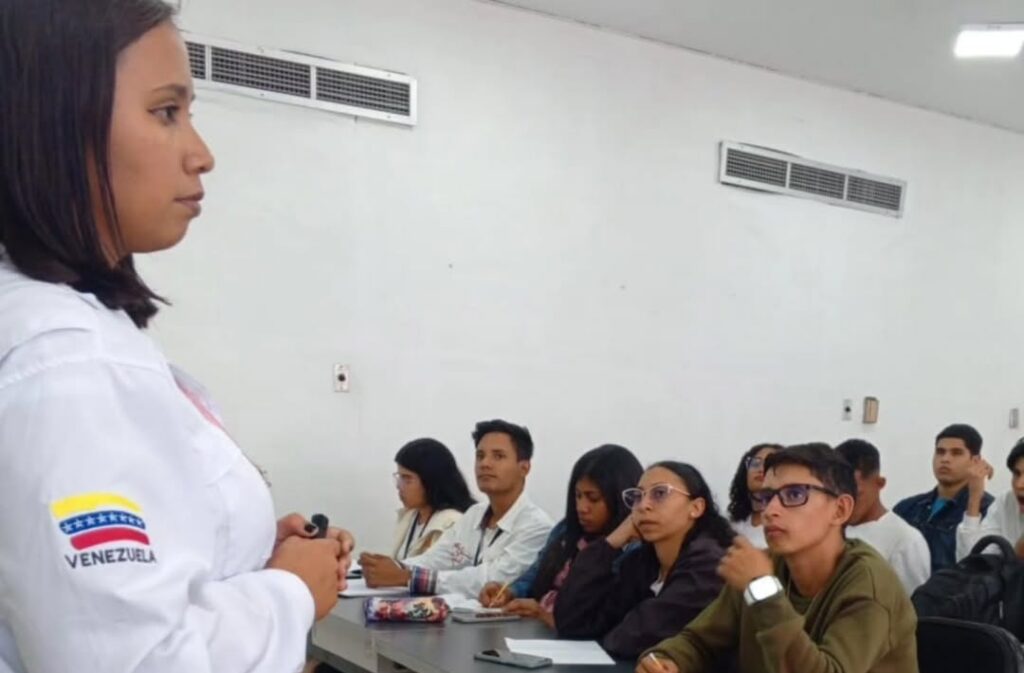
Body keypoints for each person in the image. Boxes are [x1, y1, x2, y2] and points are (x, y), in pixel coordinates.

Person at [0, 2, 353, 671]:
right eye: (166, 112)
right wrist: (290, 592)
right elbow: (133, 659)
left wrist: (241, 547)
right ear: (59, 124)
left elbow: (98, 591)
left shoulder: (67, 330)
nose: (202, 154)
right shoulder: (64, 358)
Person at [640, 444, 917, 673]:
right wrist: (666, 659)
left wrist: (763, 590)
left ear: (840, 510)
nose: (771, 510)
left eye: (794, 494)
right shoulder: (765, 565)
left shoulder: (869, 582)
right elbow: (699, 640)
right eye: (767, 496)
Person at [555, 462, 734, 659]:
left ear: (696, 507)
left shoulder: (710, 565)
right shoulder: (642, 562)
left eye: (660, 493)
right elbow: (573, 623)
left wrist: (608, 634)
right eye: (637, 497)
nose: (643, 505)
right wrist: (611, 542)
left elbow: (633, 638)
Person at [361, 419, 552, 597]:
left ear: (524, 468)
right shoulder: (475, 514)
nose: (485, 464)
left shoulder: (536, 526)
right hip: (461, 616)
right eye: (480, 456)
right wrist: (391, 567)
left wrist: (407, 577)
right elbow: (438, 559)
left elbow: (492, 579)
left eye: (498, 456)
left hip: (503, 621)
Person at [479, 444, 644, 627]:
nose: (581, 508)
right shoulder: (565, 530)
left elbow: (606, 620)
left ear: (621, 499)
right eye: (578, 496)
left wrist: (544, 615)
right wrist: (509, 591)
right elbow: (536, 574)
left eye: (593, 498)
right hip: (536, 630)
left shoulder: (632, 550)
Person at [894, 423, 993, 572]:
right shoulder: (907, 508)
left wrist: (974, 498)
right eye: (940, 452)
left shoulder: (989, 510)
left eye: (956, 453)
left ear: (976, 461)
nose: (945, 459)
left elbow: (979, 569)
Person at [835, 439, 930, 594]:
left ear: (879, 483)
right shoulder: (828, 528)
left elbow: (914, 603)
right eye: (839, 495)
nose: (847, 505)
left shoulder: (904, 541)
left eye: (856, 495)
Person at [390, 438, 475, 561]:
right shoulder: (410, 516)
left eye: (407, 478)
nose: (399, 485)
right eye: (399, 477)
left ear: (431, 481)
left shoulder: (453, 524)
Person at [956, 437, 1024, 560]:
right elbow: (971, 562)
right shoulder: (1006, 502)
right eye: (1017, 474)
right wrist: (974, 498)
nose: (1019, 484)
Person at [727, 443, 784, 548]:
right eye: (755, 463)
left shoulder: (787, 524)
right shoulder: (732, 525)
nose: (761, 469)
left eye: (769, 464)